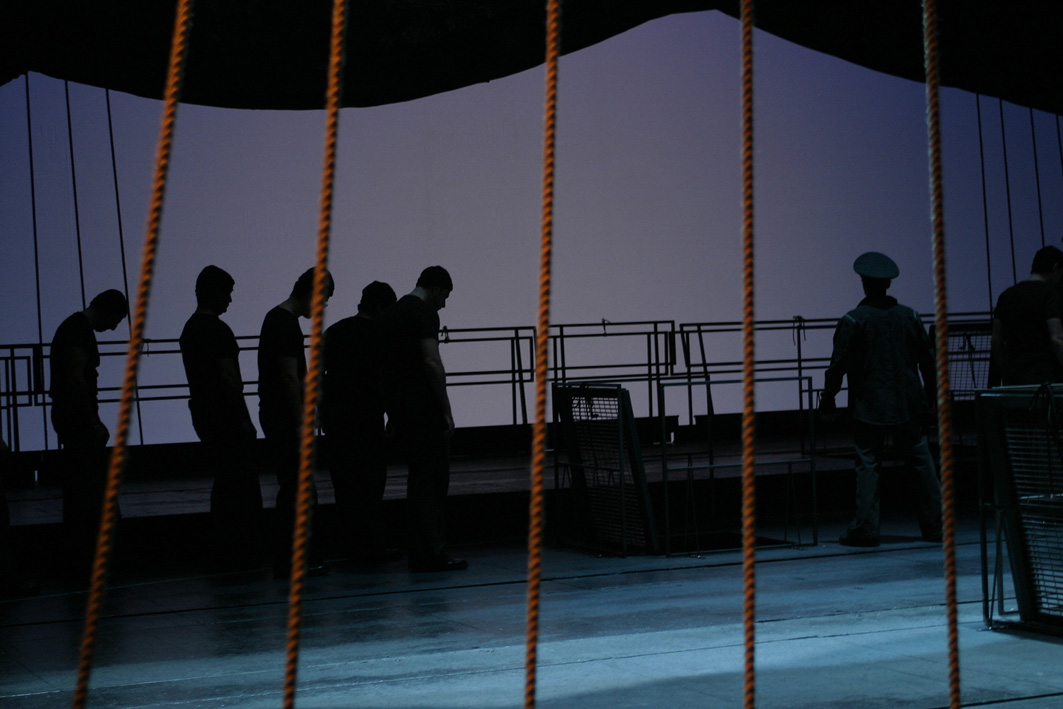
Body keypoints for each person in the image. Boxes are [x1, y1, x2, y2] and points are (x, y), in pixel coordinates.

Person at [819, 252, 942, 547]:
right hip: (908, 404)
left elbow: (837, 366)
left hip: (868, 406)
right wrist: (932, 400)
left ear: (864, 283)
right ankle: (938, 525)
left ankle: (866, 528)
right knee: (921, 463)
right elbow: (929, 363)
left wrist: (828, 400)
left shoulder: (853, 320)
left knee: (868, 464)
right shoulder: (910, 316)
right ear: (888, 284)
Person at [180, 266, 266, 569]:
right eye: (227, 293)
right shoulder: (218, 330)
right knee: (243, 481)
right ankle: (245, 547)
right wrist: (245, 418)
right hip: (226, 416)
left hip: (204, 413)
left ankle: (226, 547)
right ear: (215, 293)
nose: (230, 299)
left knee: (225, 480)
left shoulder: (190, 330)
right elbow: (229, 379)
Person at [380, 266, 465, 572]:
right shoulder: (425, 313)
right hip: (424, 408)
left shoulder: (392, 313)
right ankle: (432, 551)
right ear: (436, 289)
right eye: (445, 297)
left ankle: (418, 550)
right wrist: (446, 410)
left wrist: (391, 412)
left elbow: (386, 367)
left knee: (417, 480)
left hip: (401, 408)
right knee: (432, 481)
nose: (444, 304)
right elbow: (431, 361)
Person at [259, 268, 334, 577]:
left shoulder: (276, 319)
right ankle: (294, 558)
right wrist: (302, 419)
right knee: (296, 489)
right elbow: (290, 376)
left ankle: (292, 557)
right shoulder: (285, 324)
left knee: (294, 487)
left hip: (277, 415)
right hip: (285, 418)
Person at [49, 289, 129, 574]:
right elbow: (75, 378)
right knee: (92, 488)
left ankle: (83, 559)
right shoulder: (78, 330)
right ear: (107, 311)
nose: (114, 327)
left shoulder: (73, 328)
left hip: (70, 418)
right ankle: (98, 558)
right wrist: (93, 421)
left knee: (83, 488)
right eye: (116, 320)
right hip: (77, 420)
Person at [322, 281, 399, 564]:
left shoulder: (334, 332)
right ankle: (373, 546)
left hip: (337, 419)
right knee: (371, 485)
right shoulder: (380, 335)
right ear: (381, 308)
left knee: (344, 484)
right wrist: (392, 415)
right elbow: (384, 379)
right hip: (367, 419)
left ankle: (348, 545)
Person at [991, 246, 1063, 386]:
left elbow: (996, 340)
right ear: (1055, 268)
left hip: (1014, 379)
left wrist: (1006, 372)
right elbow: (1057, 338)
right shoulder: (1049, 294)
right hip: (1044, 379)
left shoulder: (1005, 296)